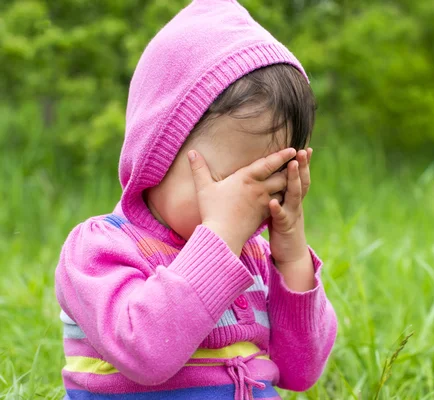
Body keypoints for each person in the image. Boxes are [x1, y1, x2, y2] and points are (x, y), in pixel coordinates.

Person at [54, 1, 337, 398]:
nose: (245, 206)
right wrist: (218, 240)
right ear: (157, 154)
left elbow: (300, 371)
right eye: (230, 183)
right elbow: (145, 353)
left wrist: (291, 258)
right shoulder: (99, 249)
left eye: (266, 185)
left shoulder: (253, 259)